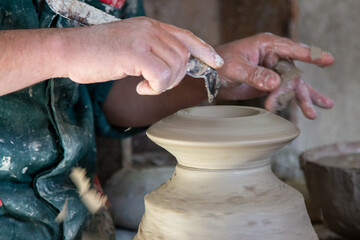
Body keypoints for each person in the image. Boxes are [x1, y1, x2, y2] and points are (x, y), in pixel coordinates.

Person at [0, 0, 334, 239]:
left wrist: (213, 77)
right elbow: (81, 54)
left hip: (77, 217)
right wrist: (66, 50)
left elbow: (108, 97)